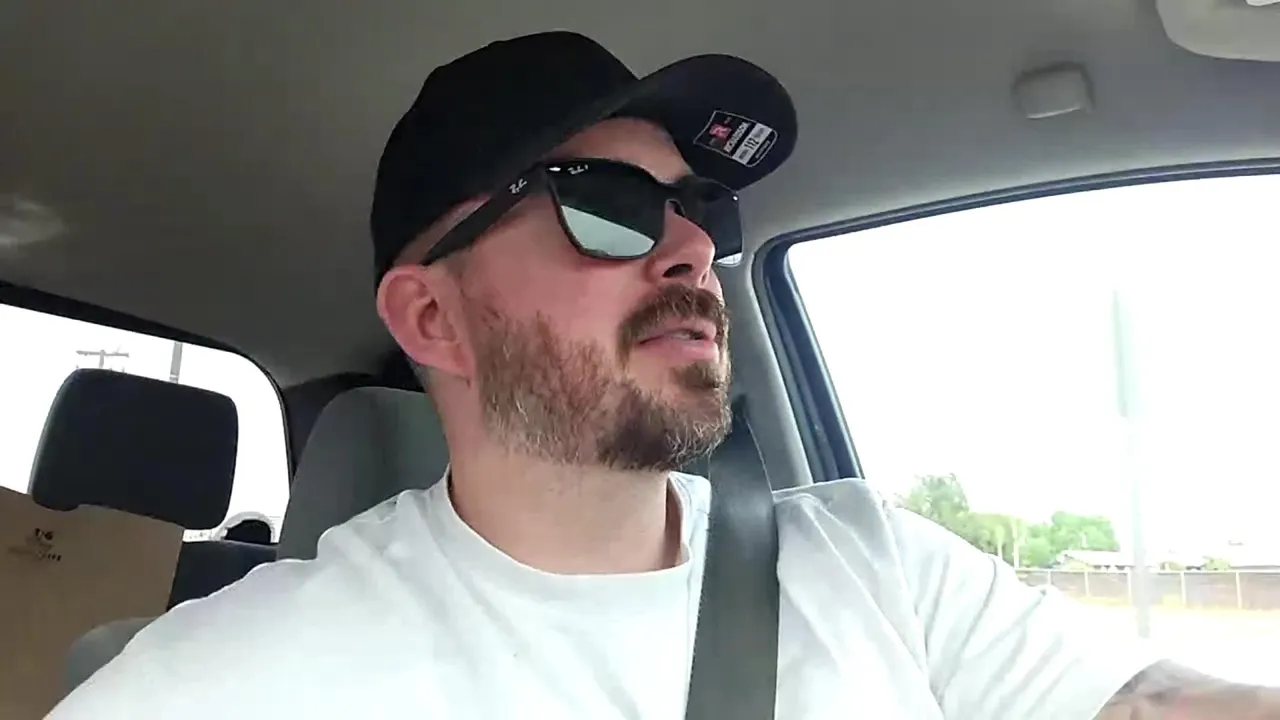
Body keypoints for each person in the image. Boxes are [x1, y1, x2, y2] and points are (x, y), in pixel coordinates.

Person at [50, 30, 1280, 719]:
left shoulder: (877, 565)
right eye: (605, 205)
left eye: (699, 209)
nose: (691, 247)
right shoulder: (244, 676)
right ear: (431, 315)